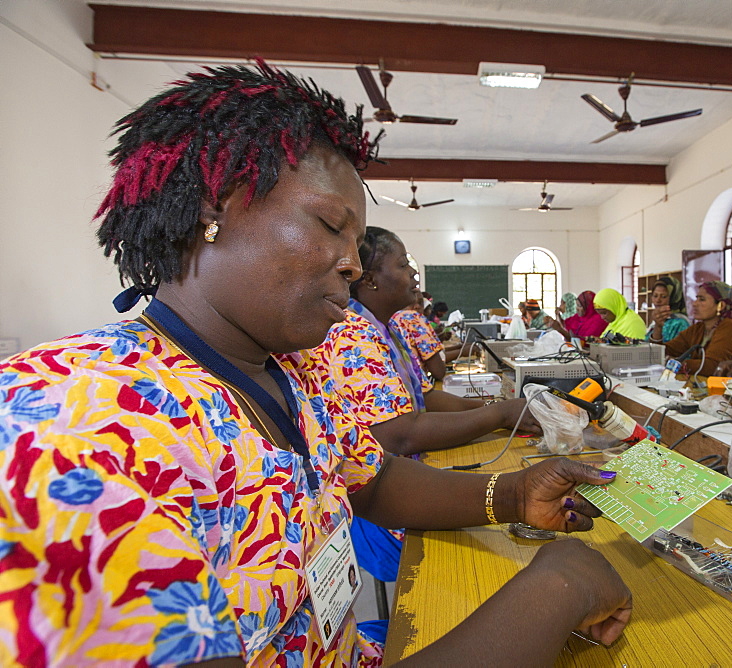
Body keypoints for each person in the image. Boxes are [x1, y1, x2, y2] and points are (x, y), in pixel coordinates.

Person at [0, 61, 631, 667]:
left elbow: (371, 480)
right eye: (332, 226)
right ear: (214, 207)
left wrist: (515, 492)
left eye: (359, 245)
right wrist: (557, 591)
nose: (354, 265)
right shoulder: (69, 432)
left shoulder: (279, 371)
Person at [316, 227, 540, 456]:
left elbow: (427, 396)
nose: (413, 272)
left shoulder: (386, 329)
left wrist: (503, 409)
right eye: (403, 264)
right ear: (371, 279)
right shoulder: (352, 334)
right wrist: (501, 414)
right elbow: (400, 436)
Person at [660, 281, 732, 376]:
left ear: (721, 305)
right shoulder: (699, 328)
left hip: (728, 388)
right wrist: (658, 326)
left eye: (702, 299)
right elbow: (667, 350)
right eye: (696, 298)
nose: (695, 304)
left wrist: (673, 363)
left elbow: (712, 366)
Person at [390, 295, 451, 381]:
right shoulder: (413, 318)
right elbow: (438, 372)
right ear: (417, 306)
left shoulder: (391, 318)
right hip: (415, 386)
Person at [647, 277, 690, 344]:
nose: (658, 300)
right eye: (655, 296)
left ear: (674, 298)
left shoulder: (680, 323)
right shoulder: (658, 320)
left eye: (663, 296)